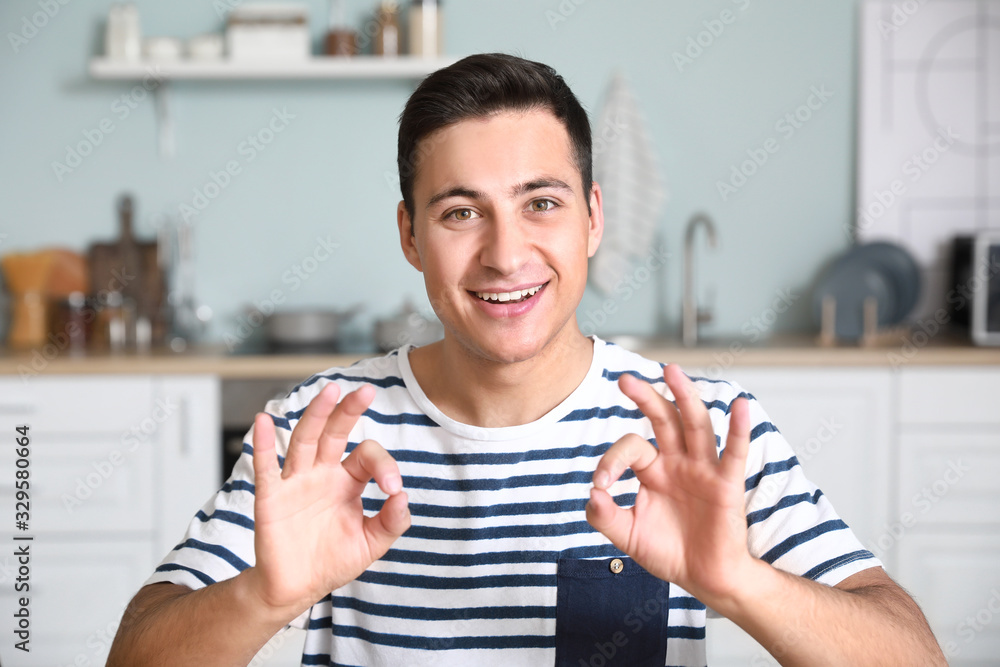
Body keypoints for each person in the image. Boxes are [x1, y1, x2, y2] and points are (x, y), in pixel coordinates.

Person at [108, 53, 945, 667]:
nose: (507, 255)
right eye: (460, 212)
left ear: (592, 218)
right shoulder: (318, 430)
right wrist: (267, 596)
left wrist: (738, 583)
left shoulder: (702, 430)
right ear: (409, 234)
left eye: (540, 203)